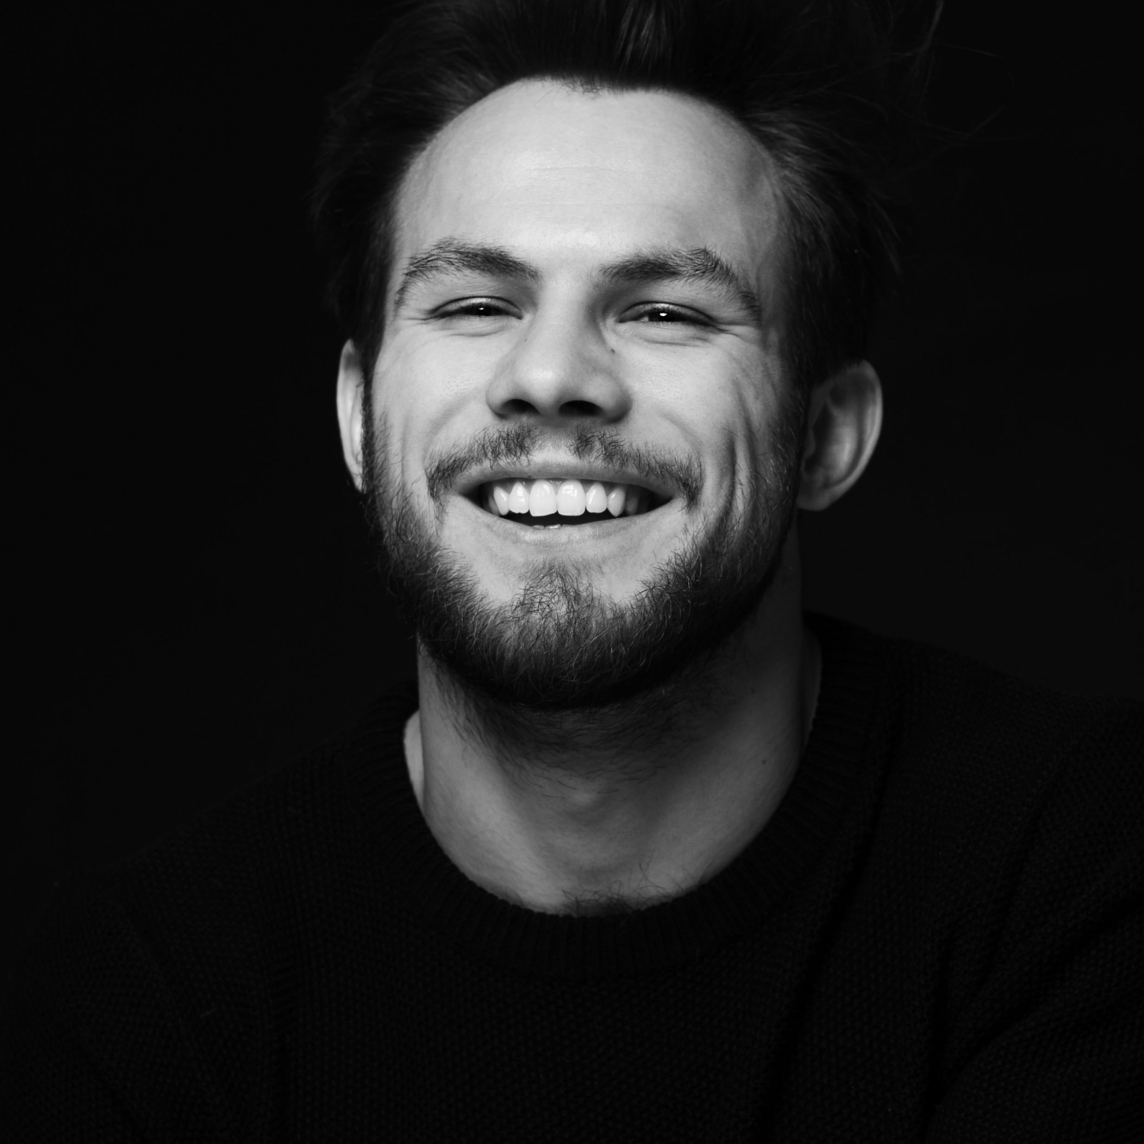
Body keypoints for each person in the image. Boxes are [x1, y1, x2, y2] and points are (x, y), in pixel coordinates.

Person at [4, 1, 1141, 1140]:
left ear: (824, 436)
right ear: (357, 417)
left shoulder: (1079, 873)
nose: (550, 376)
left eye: (664, 311)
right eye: (474, 304)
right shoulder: (142, 998)